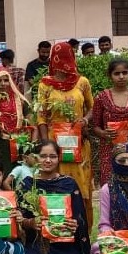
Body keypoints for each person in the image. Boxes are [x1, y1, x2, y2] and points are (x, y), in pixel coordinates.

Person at [18, 140, 96, 254]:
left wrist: (75, 225)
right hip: (38, 242)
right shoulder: (28, 184)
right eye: (43, 156)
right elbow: (19, 217)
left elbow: (79, 217)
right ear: (35, 158)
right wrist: (31, 223)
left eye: (52, 156)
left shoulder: (68, 183)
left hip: (64, 243)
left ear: (59, 158)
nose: (48, 160)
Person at [35, 41, 95, 229]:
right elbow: (41, 115)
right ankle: (57, 227)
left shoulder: (82, 82)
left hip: (78, 143)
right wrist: (46, 143)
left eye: (67, 57)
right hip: (55, 144)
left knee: (80, 188)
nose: (64, 62)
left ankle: (82, 228)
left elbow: (92, 108)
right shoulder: (45, 84)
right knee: (57, 185)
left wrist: (84, 120)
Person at [91, 58, 128, 186]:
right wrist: (103, 134)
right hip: (110, 149)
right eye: (116, 74)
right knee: (111, 184)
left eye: (125, 73)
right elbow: (95, 126)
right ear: (110, 76)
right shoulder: (101, 98)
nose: (121, 77)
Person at [0, 66, 28, 175]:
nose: (3, 84)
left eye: (6, 80)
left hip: (18, 145)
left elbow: (31, 122)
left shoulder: (20, 101)